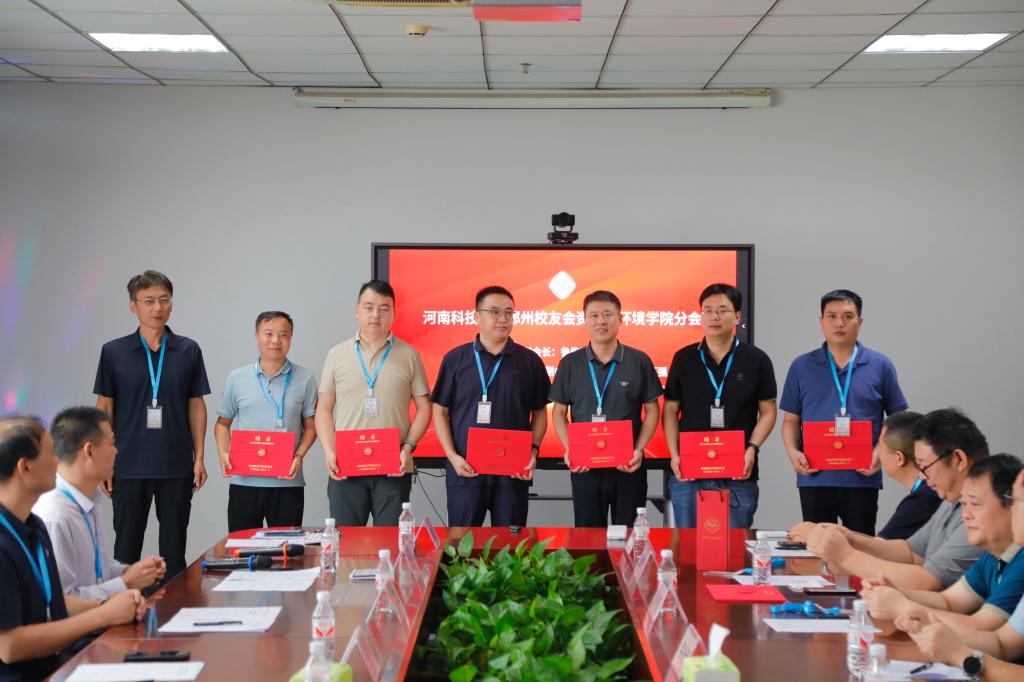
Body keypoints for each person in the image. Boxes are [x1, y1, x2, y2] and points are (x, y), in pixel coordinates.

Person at [0, 416, 146, 681]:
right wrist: (102, 615)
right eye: (50, 453)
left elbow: (57, 607)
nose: (58, 460)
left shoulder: (34, 527)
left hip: (56, 666)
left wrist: (112, 606)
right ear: (25, 467)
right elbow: (9, 647)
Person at [93, 270, 210, 578]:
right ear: (133, 306)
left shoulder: (188, 350)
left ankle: (172, 607)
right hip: (128, 464)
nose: (157, 307)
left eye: (164, 299)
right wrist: (103, 462)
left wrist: (199, 457)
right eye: (149, 301)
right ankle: (124, 606)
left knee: (174, 551)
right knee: (125, 550)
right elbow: (104, 407)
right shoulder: (114, 352)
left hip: (175, 464)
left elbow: (196, 405)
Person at [794, 408, 987, 590]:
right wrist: (851, 538)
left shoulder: (981, 514)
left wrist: (846, 556)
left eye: (925, 466)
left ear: (959, 459)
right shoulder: (951, 501)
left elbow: (929, 581)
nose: (922, 476)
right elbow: (911, 553)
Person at [780, 289, 908, 536]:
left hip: (862, 476)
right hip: (815, 476)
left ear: (860, 321)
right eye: (832, 316)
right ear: (821, 321)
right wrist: (793, 452)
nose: (839, 323)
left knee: (861, 546)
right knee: (818, 548)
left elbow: (898, 419)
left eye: (848, 316)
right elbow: (790, 420)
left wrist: (880, 452)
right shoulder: (801, 366)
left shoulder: (880, 365)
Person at [431, 285, 550, 527]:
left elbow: (539, 412)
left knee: (511, 545)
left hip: (512, 472)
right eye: (494, 312)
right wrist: (452, 457)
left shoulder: (529, 361)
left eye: (509, 313)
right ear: (477, 316)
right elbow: (440, 410)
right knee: (462, 544)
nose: (503, 319)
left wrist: (533, 451)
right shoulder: (455, 359)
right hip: (466, 469)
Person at [862, 455, 1024, 632]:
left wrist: (902, 606)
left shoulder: (1020, 564)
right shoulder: (991, 558)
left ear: (1012, 505)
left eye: (975, 504)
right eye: (964, 504)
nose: (966, 515)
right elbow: (948, 601)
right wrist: (896, 592)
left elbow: (981, 628)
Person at [315, 280, 431, 526]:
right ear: (357, 311)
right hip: (346, 465)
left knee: (389, 540)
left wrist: (408, 447)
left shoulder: (409, 355)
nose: (375, 315)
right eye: (368, 307)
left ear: (394, 314)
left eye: (383, 308)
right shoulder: (337, 354)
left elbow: (424, 407)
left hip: (393, 465)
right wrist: (329, 450)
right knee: (346, 541)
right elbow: (323, 408)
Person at [662, 283, 777, 529]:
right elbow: (670, 410)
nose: (714, 316)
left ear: (737, 316)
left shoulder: (756, 359)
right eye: (708, 310)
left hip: (738, 471)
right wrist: (674, 454)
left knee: (733, 546)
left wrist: (752, 449)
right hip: (689, 471)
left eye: (722, 310)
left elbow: (768, 411)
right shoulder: (684, 358)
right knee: (689, 546)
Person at [898, 469, 1024, 681]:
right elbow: (1002, 643)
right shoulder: (991, 557)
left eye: (1016, 501)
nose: (966, 515)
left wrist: (961, 654)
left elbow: (984, 630)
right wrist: (938, 634)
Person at [550, 291, 662, 528]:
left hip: (628, 465)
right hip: (585, 467)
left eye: (608, 314)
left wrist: (639, 449)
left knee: (628, 535)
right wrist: (570, 449)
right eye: (594, 315)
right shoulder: (570, 363)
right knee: (588, 536)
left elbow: (652, 410)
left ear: (620, 319)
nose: (601, 321)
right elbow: (558, 412)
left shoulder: (639, 360)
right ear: (585, 320)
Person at [33, 407, 166, 600]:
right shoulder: (56, 515)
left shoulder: (89, 498)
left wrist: (132, 572)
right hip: (86, 620)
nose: (116, 451)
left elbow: (96, 569)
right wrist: (126, 582)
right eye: (112, 443)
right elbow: (63, 603)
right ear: (89, 451)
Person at [215, 311, 319, 532]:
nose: (275, 340)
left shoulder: (306, 378)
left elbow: (311, 427)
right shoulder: (237, 378)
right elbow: (222, 424)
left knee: (286, 549)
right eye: (269, 334)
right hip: (244, 482)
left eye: (283, 334)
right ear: (256, 336)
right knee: (242, 548)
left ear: (291, 338)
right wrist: (224, 452)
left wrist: (299, 455)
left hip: (287, 483)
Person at [874, 411, 941, 540]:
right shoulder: (930, 489)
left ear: (899, 458)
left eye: (880, 447)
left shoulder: (923, 499)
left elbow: (880, 547)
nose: (878, 455)